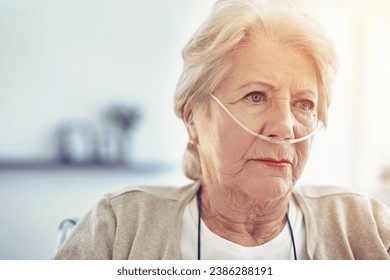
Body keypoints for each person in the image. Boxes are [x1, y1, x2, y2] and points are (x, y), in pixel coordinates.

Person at [54, 0, 390, 260]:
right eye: (255, 96)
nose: (285, 127)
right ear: (192, 119)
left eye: (304, 104)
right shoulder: (119, 227)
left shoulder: (364, 226)